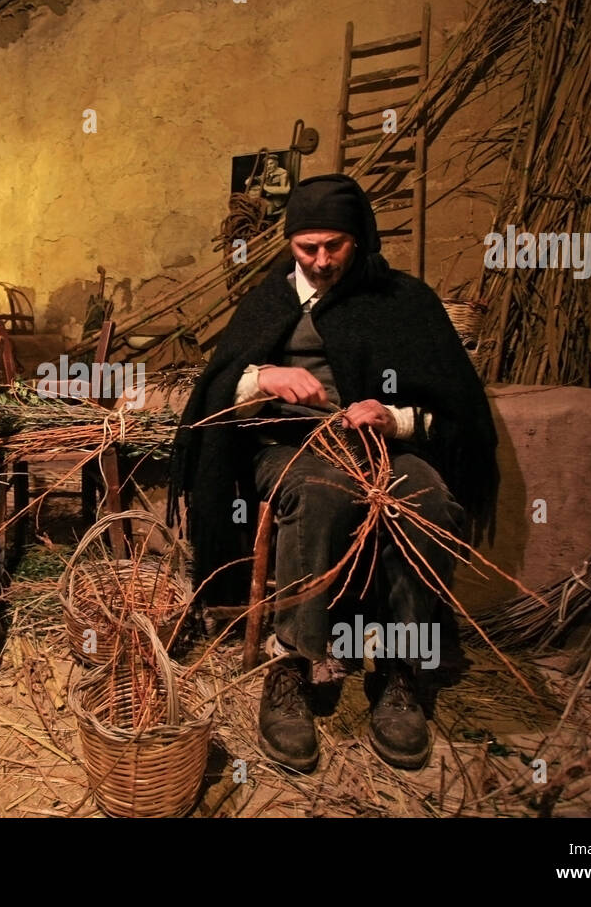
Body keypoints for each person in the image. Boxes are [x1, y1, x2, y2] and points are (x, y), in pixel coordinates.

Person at [167, 174, 498, 772]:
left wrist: (391, 417)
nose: (319, 261)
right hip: (288, 444)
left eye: (334, 247)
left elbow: (455, 408)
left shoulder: (402, 301)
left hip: (382, 449)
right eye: (306, 247)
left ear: (360, 239)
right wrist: (261, 379)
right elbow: (214, 388)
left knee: (426, 503)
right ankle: (291, 665)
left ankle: (397, 670)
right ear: (290, 244)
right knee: (322, 495)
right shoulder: (269, 301)